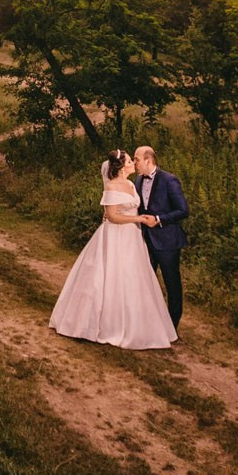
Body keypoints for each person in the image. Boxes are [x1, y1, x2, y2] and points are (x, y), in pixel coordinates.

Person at [48, 148, 176, 350]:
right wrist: (138, 219)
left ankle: (139, 324)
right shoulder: (111, 186)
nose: (133, 163)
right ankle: (104, 324)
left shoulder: (132, 185)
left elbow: (135, 206)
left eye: (134, 161)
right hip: (115, 236)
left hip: (132, 238)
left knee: (134, 279)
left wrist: (143, 219)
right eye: (129, 162)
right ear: (121, 166)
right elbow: (114, 216)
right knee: (110, 277)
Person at [133, 144, 187, 330]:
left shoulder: (169, 180)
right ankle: (147, 322)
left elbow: (183, 210)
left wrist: (158, 219)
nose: (134, 163)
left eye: (137, 159)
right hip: (146, 240)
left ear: (148, 160)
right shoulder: (138, 181)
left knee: (171, 282)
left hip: (168, 241)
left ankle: (172, 326)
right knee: (145, 282)